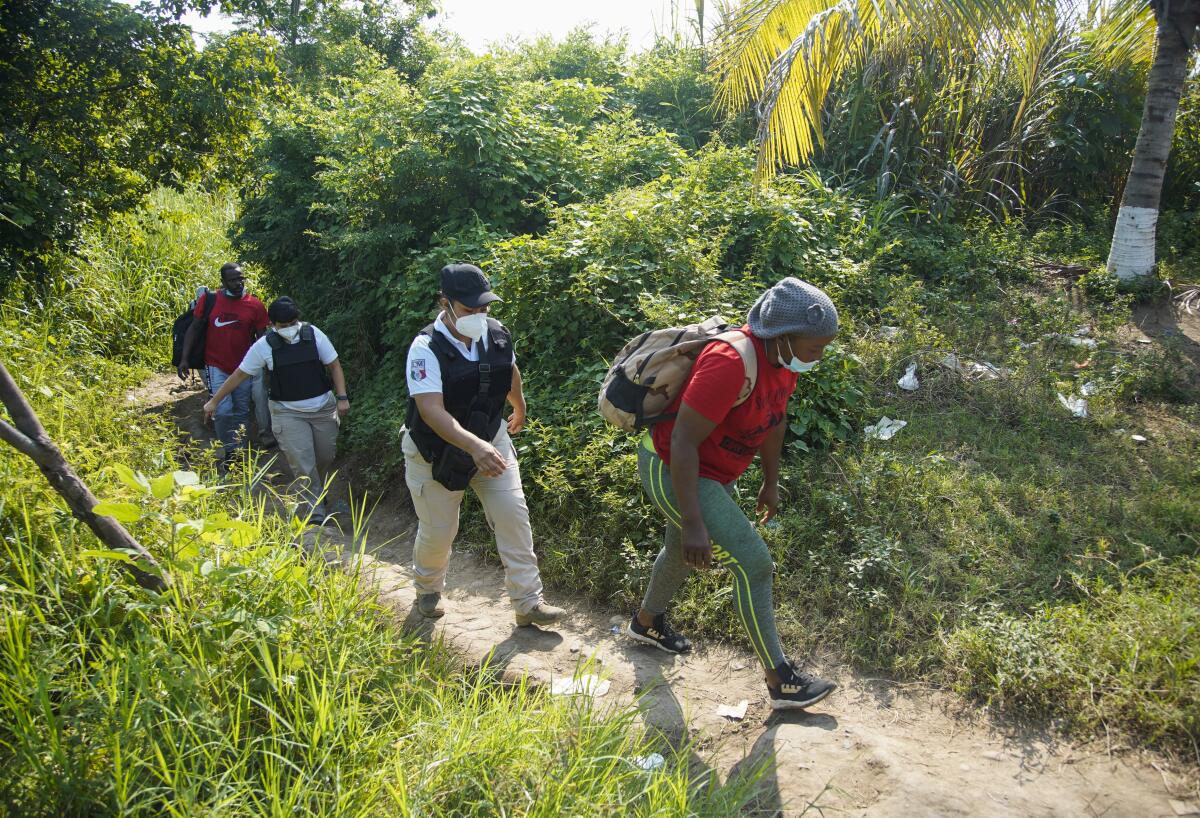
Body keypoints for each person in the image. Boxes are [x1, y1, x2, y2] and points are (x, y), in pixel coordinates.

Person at [626, 277, 839, 710]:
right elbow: (683, 442)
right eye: (815, 348)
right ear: (782, 336)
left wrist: (770, 481)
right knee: (754, 564)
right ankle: (781, 682)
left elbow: (775, 420)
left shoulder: (780, 362)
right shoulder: (729, 361)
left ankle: (646, 623)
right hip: (671, 467)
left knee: (678, 555)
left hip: (710, 472)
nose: (819, 356)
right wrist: (693, 521)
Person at [403, 263, 564, 627]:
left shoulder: (496, 334)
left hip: (492, 439)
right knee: (439, 531)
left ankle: (528, 603)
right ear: (446, 303)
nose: (479, 315)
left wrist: (519, 405)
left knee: (513, 516)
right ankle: (427, 590)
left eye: (484, 307)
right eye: (469, 309)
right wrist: (474, 446)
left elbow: (508, 370)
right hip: (435, 452)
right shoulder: (425, 347)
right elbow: (430, 410)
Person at [203, 297, 349, 523]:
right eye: (283, 326)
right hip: (287, 413)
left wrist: (342, 398)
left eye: (292, 323)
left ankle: (316, 491)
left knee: (325, 455)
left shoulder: (313, 335)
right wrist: (215, 400)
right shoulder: (264, 346)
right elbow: (240, 375)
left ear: (297, 319)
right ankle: (315, 514)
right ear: (272, 325)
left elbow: (334, 365)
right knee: (303, 462)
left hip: (322, 409)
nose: (289, 329)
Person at [178, 262, 274, 465]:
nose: (238, 283)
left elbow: (261, 338)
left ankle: (239, 454)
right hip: (216, 365)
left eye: (241, 278)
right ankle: (229, 450)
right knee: (222, 411)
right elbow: (194, 329)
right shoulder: (210, 300)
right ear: (223, 282)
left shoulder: (255, 305)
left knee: (241, 411)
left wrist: (265, 366)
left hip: (244, 368)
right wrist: (184, 359)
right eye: (233, 280)